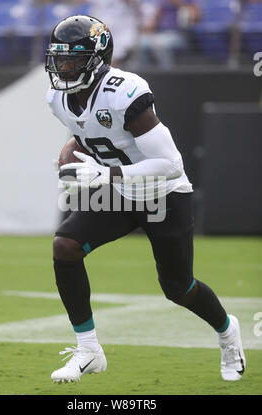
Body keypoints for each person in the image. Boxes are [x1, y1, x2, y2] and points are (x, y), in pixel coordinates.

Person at [45, 14, 245, 383]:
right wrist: (69, 148)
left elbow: (170, 164)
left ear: (97, 59)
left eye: (72, 58)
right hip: (121, 192)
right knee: (65, 246)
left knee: (178, 288)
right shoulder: (58, 97)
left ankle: (227, 332)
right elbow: (88, 131)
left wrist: (105, 174)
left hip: (163, 195)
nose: (63, 66)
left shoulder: (125, 91)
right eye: (59, 58)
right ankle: (89, 350)